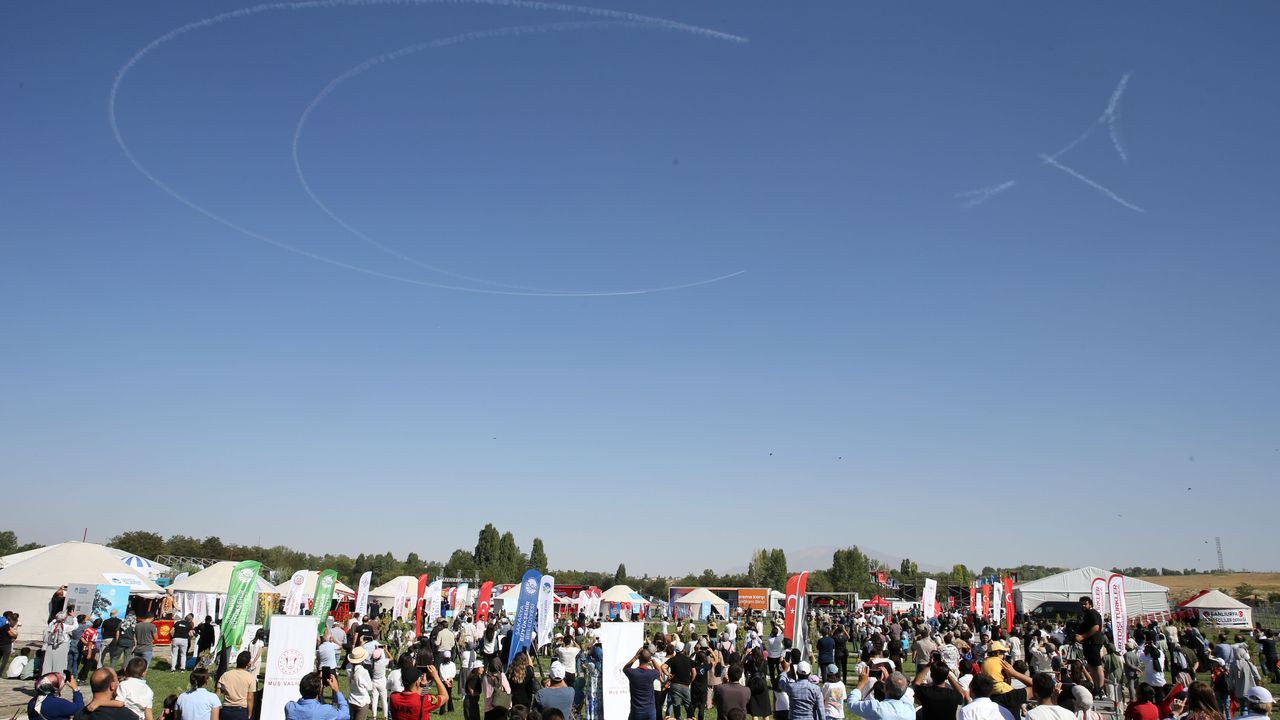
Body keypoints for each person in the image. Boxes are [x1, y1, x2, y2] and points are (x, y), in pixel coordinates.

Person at [845, 662, 913, 720]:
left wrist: (861, 683)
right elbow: (900, 692)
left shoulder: (877, 708)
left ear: (885, 689)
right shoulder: (910, 708)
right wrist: (889, 682)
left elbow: (851, 703)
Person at [623, 647, 668, 720]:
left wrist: (635, 657)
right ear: (649, 659)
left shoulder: (633, 673)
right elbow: (659, 671)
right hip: (650, 711)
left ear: (639, 658)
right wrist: (652, 659)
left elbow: (625, 668)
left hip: (637, 711)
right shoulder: (651, 673)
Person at [286, 671, 350, 720]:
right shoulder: (326, 710)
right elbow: (345, 715)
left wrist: (318, 685)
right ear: (319, 690)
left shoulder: (290, 707)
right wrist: (337, 690)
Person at [1074, 597, 1105, 691]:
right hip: (1088, 643)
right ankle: (1096, 686)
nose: (1083, 606)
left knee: (1097, 665)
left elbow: (1096, 627)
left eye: (1085, 604)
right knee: (1091, 665)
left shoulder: (1092, 613)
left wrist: (1082, 636)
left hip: (1093, 642)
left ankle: (1100, 688)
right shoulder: (1086, 614)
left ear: (1090, 604)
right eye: (1081, 604)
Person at [218, 651, 257, 720]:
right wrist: (250, 714)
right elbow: (250, 698)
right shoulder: (251, 678)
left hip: (226, 710)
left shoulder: (226, 675)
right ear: (248, 663)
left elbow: (217, 693)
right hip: (241, 711)